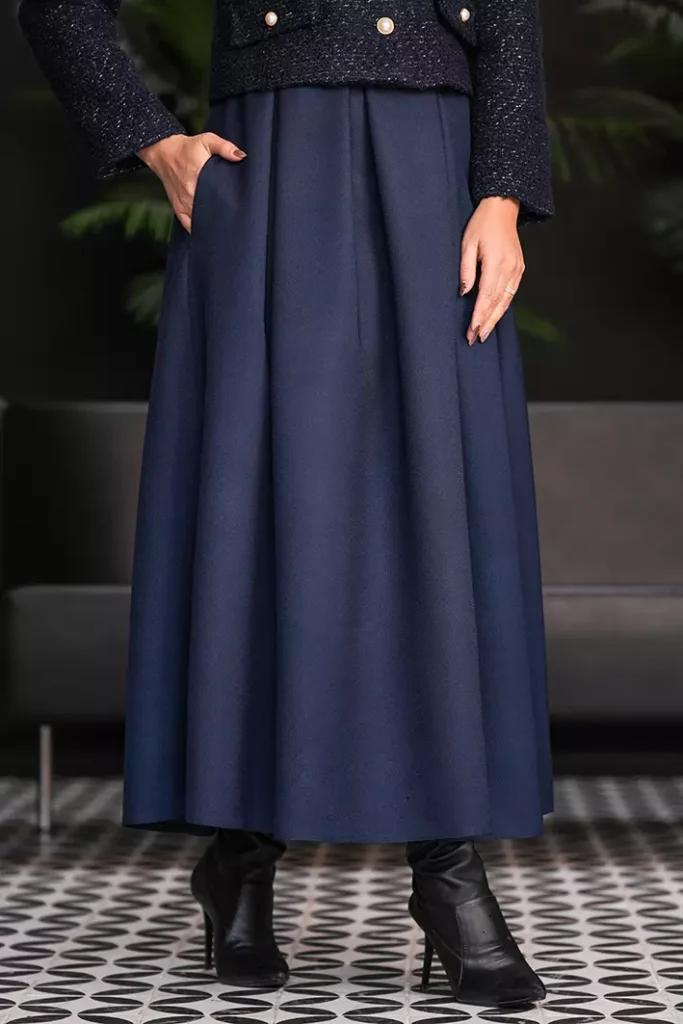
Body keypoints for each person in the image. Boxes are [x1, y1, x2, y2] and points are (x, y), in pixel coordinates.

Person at [18, 0, 554, 1008]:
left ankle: (446, 872)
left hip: (440, 178)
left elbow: (509, 16)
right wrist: (151, 139)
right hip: (270, 170)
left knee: (432, 515)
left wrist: (504, 192)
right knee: (261, 505)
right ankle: (240, 858)